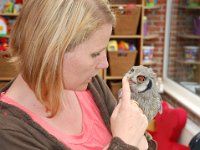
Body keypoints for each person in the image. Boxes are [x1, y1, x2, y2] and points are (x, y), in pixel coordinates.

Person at [0, 0, 156, 149]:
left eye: (104, 51)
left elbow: (142, 142)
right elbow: (133, 139)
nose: (105, 64)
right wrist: (125, 143)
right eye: (95, 54)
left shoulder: (91, 85)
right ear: (52, 51)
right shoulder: (8, 133)